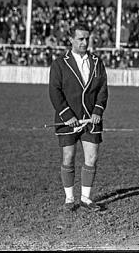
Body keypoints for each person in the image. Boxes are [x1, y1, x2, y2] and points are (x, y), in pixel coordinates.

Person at [49, 23, 108, 212]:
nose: (85, 42)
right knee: (68, 157)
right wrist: (67, 115)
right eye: (81, 39)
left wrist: (98, 111)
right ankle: (69, 199)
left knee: (92, 157)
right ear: (71, 40)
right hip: (68, 120)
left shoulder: (97, 62)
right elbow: (54, 91)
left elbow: (102, 89)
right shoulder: (59, 63)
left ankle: (86, 198)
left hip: (91, 120)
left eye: (87, 38)